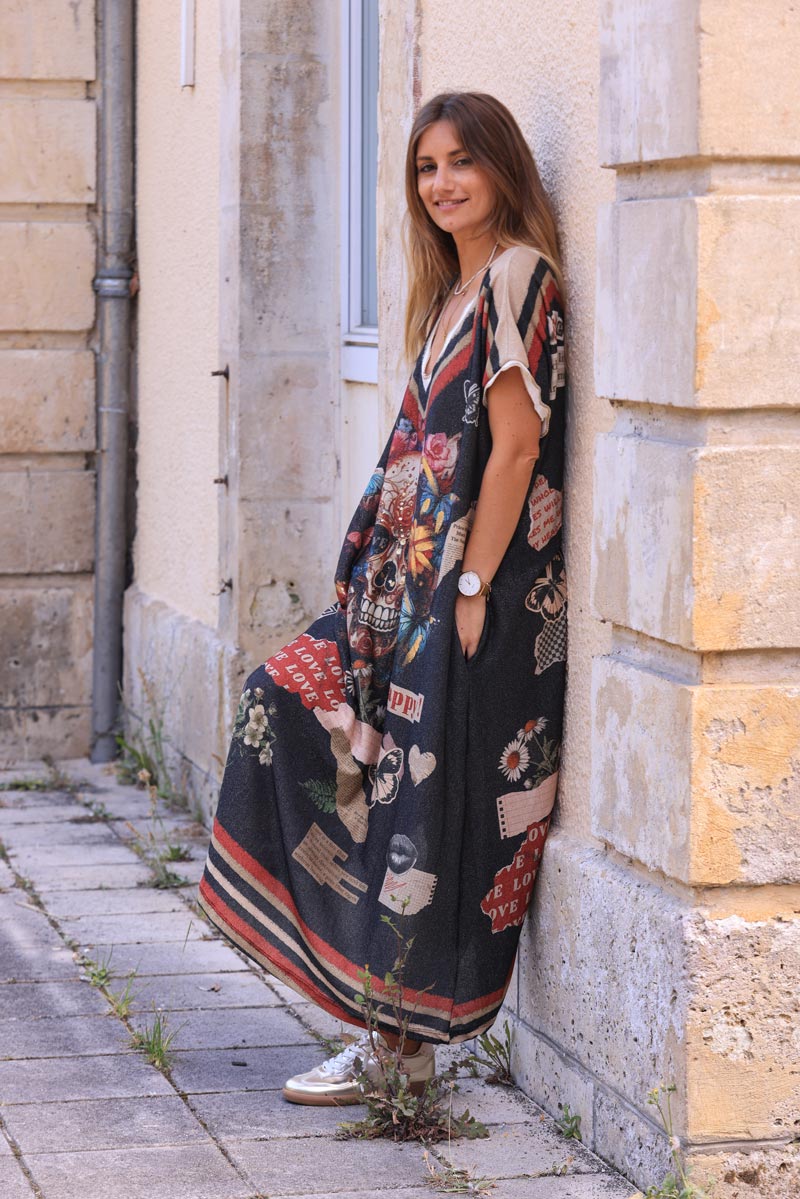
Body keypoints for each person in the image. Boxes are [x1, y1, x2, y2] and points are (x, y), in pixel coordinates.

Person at [198, 91, 568, 1107]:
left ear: (501, 168)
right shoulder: (448, 290)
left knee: (422, 811)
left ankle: (399, 1052)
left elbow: (517, 446)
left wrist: (474, 583)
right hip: (400, 597)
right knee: (287, 698)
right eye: (423, 167)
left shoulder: (514, 278)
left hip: (469, 598)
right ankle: (376, 1025)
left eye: (461, 162)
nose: (442, 183)